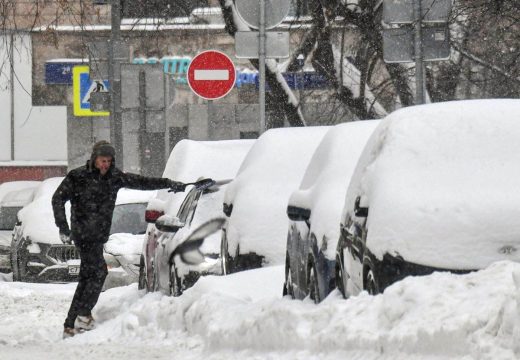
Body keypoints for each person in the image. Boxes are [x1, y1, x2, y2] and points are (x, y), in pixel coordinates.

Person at [52, 141, 185, 339]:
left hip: (98, 235)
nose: (105, 164)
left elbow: (141, 182)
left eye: (108, 161)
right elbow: (57, 198)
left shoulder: (115, 177)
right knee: (97, 272)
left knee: (88, 276)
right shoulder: (78, 176)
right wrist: (63, 227)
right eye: (101, 160)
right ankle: (82, 316)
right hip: (83, 234)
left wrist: (168, 184)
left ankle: (73, 322)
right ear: (94, 159)